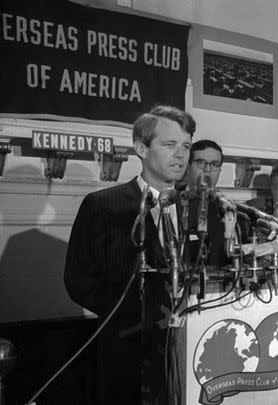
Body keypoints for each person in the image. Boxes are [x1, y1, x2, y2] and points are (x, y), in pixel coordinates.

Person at [64, 105, 195, 404]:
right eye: (170, 144)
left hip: (193, 349)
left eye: (186, 146)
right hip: (128, 352)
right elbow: (78, 280)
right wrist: (134, 318)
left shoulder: (200, 207)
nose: (181, 155)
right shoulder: (104, 205)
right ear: (140, 147)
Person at [181, 139, 230, 265]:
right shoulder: (171, 201)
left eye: (214, 164)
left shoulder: (226, 208)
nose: (207, 169)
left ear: (219, 170)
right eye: (201, 163)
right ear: (188, 167)